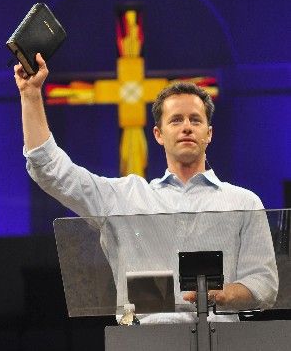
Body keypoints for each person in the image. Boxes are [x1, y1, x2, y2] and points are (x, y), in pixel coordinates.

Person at [14, 53, 278, 322]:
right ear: (158, 134)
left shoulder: (244, 202)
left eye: (195, 120)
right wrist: (31, 94)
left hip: (223, 342)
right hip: (146, 342)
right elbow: (52, 171)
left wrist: (224, 294)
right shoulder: (123, 198)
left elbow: (264, 283)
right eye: (176, 120)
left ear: (209, 133)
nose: (186, 127)